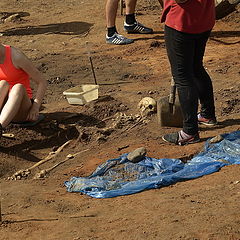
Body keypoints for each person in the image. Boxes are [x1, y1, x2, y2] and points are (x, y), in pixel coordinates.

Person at [161, 0, 217, 145]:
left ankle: (190, 132)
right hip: (204, 17)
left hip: (182, 20)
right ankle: (207, 115)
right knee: (196, 68)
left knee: (183, 76)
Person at [0, 43, 47, 138]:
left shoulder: (16, 56)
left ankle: (0, 127)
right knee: (2, 84)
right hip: (3, 105)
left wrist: (35, 107)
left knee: (18, 87)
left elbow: (42, 82)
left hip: (21, 108)